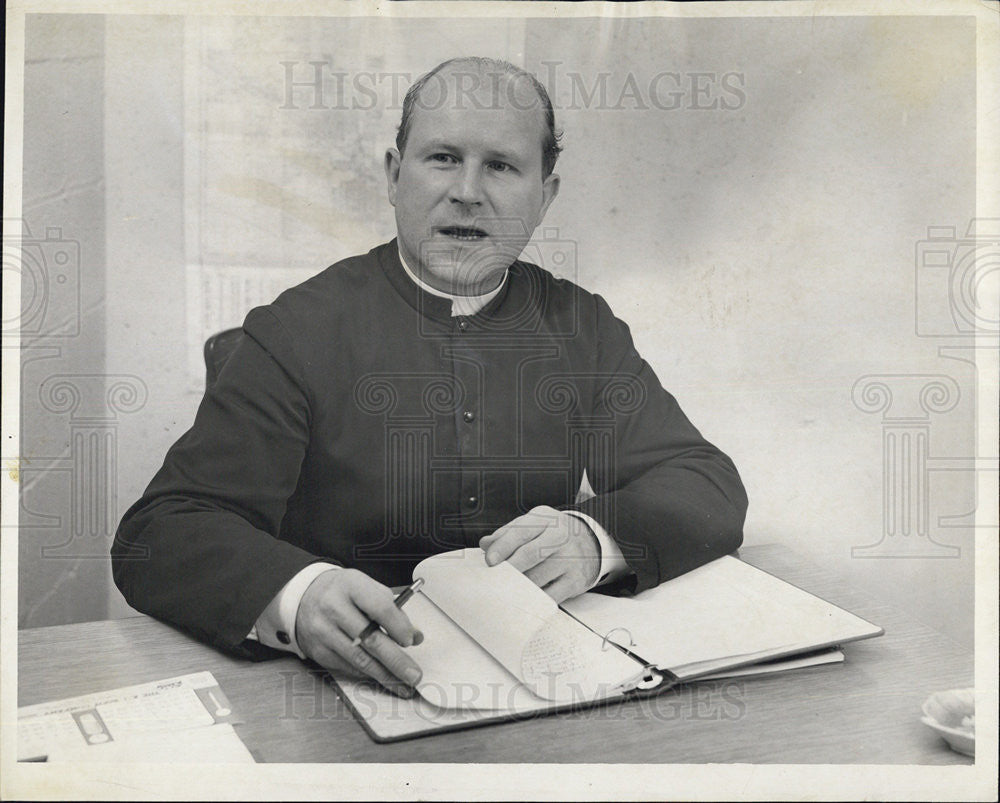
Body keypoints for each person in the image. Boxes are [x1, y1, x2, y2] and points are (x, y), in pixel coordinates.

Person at [112, 57, 747, 700]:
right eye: (442, 158)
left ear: (545, 195)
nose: (468, 191)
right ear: (395, 176)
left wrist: (594, 539)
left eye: (501, 165)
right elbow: (161, 531)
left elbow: (706, 482)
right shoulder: (296, 329)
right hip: (338, 689)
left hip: (544, 681)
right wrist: (299, 597)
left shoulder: (580, 324)